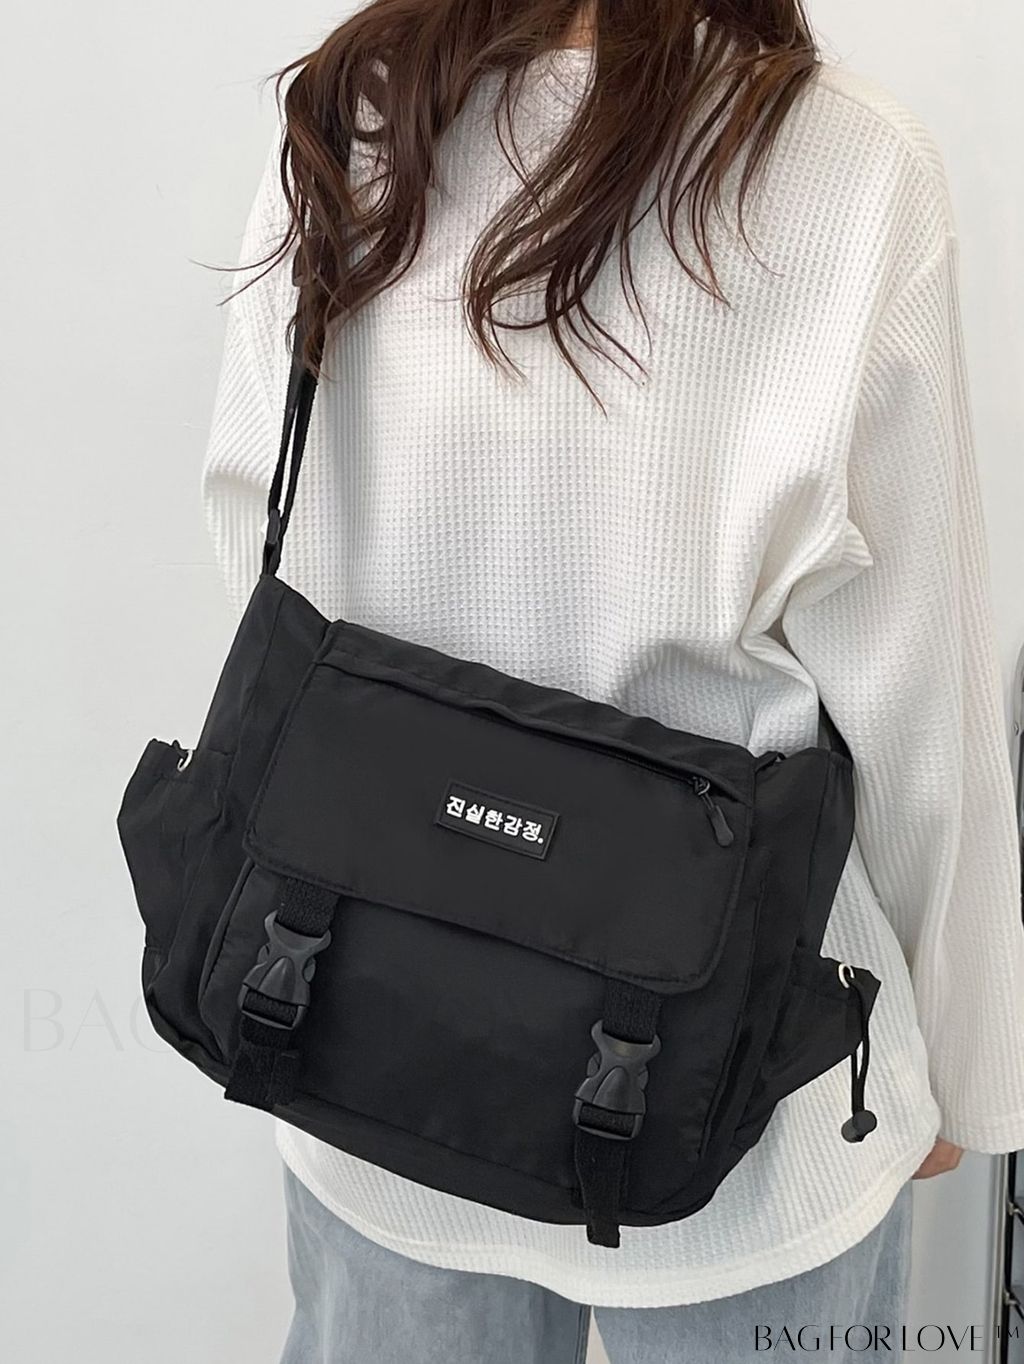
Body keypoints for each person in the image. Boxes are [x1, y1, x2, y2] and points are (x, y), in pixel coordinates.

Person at [199, 2, 1024, 1359]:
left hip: (358, 1022)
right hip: (743, 1084)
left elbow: (256, 535)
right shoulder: (847, 164)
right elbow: (918, 691)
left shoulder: (362, 109)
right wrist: (969, 1068)